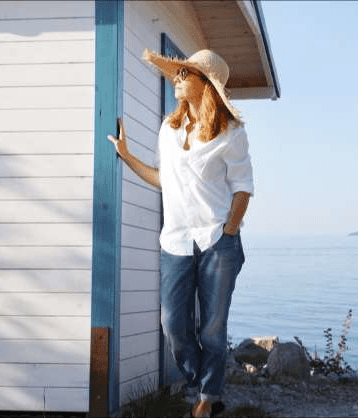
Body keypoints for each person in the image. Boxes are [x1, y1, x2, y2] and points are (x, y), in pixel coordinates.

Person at [107, 49, 253, 417]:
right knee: (172, 324)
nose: (178, 77)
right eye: (179, 71)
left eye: (186, 73)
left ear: (206, 85)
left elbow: (243, 188)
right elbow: (164, 180)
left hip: (217, 242)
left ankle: (206, 400)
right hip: (175, 241)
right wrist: (127, 156)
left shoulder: (231, 133)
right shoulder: (167, 129)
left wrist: (228, 231)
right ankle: (206, 385)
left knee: (213, 329)